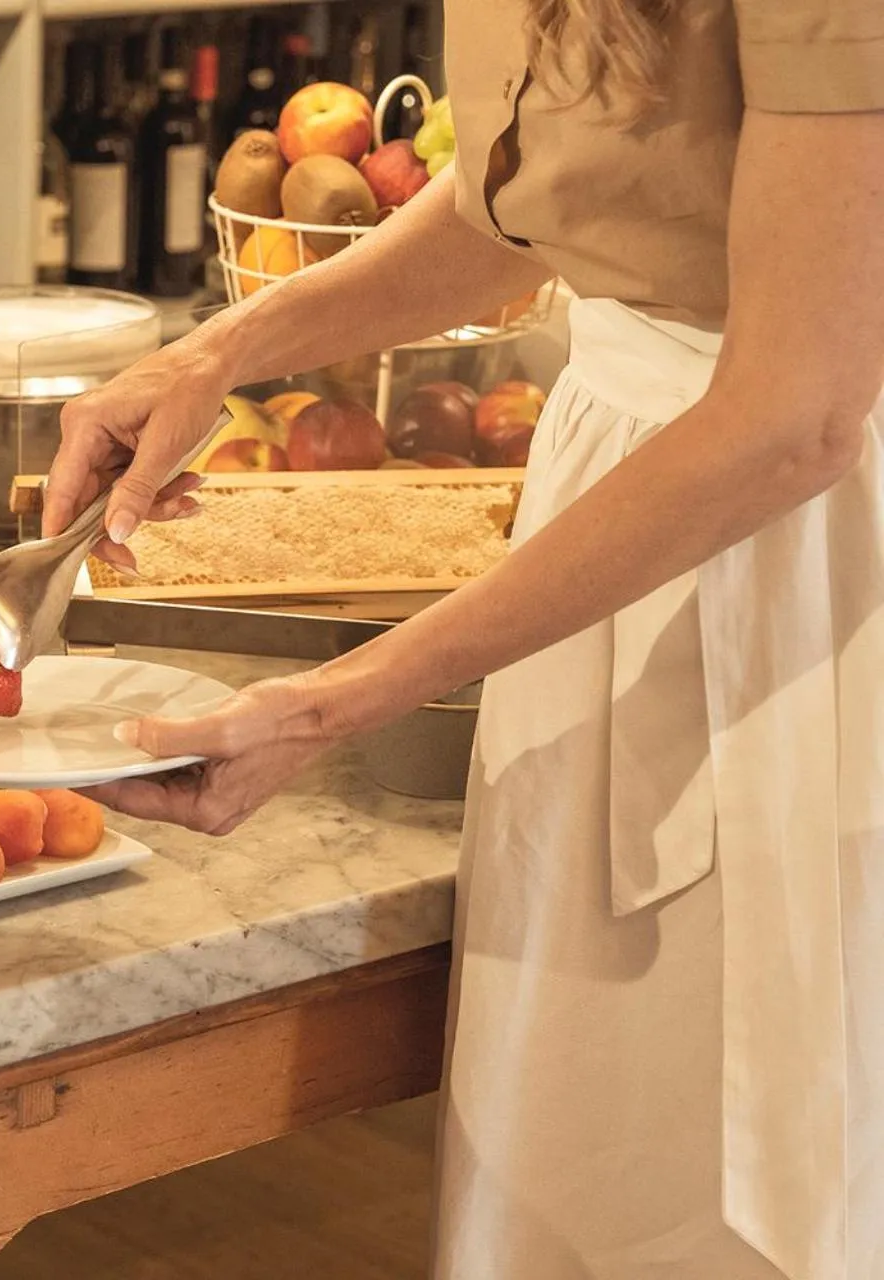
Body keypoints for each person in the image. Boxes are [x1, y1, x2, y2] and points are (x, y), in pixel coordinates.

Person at [43, 1, 882, 1276]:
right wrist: (218, 353)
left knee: (723, 1152)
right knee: (573, 1127)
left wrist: (333, 700)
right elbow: (534, 208)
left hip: (793, 558)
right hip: (615, 520)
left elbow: (795, 416)